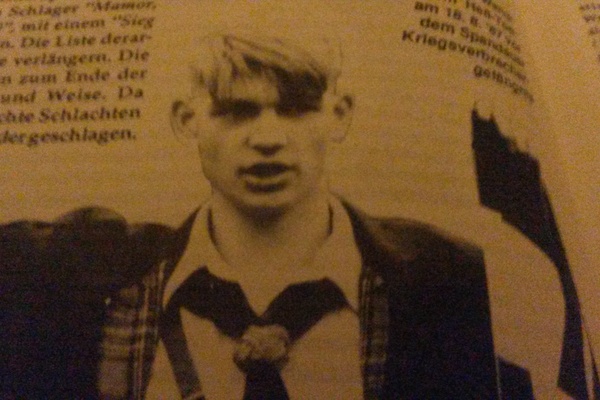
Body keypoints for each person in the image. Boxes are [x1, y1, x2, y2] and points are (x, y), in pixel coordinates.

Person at [1, 19, 568, 400]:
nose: (268, 139)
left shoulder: (449, 281)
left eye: (296, 109)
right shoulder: (94, 278)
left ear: (339, 116)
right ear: (186, 120)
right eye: (235, 111)